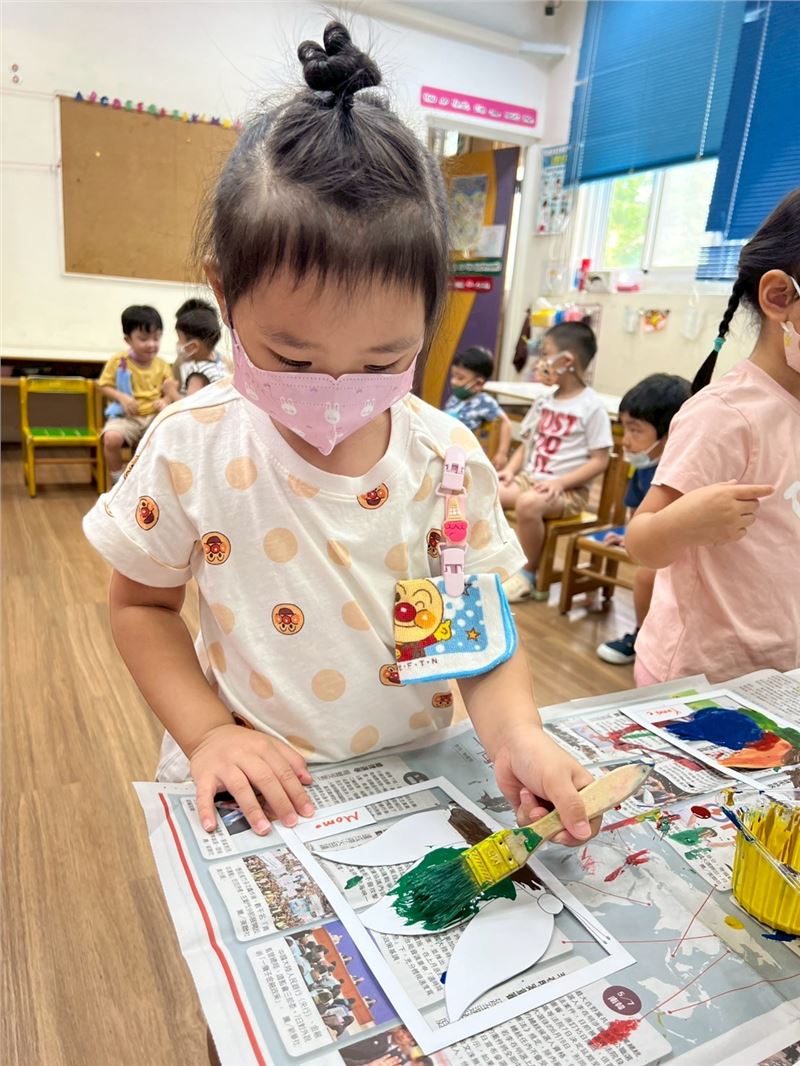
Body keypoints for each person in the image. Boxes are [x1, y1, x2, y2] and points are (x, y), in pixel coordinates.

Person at [83, 21, 597, 848]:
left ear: (429, 316)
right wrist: (209, 734)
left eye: (381, 361)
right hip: (260, 785)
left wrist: (517, 736)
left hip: (418, 782)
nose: (332, 393)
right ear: (225, 292)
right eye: (292, 357)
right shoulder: (190, 446)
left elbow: (469, 632)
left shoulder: (446, 462)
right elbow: (142, 606)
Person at [626, 188, 800, 684]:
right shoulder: (726, 415)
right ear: (780, 297)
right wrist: (685, 523)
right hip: (700, 677)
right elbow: (641, 542)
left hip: (781, 668)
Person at [498, 321, 613, 602]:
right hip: (531, 480)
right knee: (488, 491)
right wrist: (509, 471)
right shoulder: (544, 401)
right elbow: (527, 443)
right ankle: (498, 561)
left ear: (566, 361)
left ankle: (527, 574)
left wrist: (560, 483)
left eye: (546, 354)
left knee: (528, 504)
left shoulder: (592, 406)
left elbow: (600, 461)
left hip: (568, 491)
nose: (541, 362)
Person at [596, 373, 690, 665]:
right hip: (655, 542)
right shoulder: (643, 467)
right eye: (624, 428)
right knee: (647, 573)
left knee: (646, 576)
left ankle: (643, 637)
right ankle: (645, 635)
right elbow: (636, 512)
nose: (626, 441)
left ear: (670, 434)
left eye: (636, 431)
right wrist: (629, 534)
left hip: (684, 547)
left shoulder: (681, 470)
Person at [98, 305, 173, 483]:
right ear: (128, 340)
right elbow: (103, 386)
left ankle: (143, 480)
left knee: (158, 441)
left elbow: (170, 391)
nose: (151, 344)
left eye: (156, 338)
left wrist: (165, 400)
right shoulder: (119, 361)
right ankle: (118, 480)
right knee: (111, 439)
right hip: (126, 417)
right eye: (144, 339)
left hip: (153, 417)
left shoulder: (162, 365)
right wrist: (122, 398)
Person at [444, 346, 512, 469]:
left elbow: (505, 423)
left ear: (478, 383)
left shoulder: (484, 402)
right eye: (453, 376)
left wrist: (502, 453)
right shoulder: (454, 399)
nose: (453, 381)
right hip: (445, 445)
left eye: (460, 378)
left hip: (464, 456)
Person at [164, 298, 229, 401]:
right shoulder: (221, 367)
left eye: (179, 338)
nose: (177, 343)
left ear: (193, 346)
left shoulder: (197, 373)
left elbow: (191, 406)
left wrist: (172, 393)